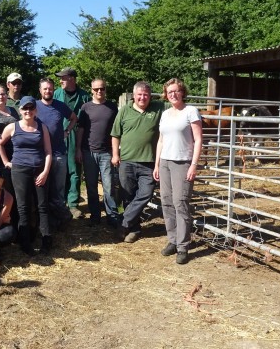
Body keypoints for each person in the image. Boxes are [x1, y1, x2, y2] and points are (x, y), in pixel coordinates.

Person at [153, 78, 203, 264]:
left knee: (180, 202)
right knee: (166, 202)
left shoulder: (191, 111)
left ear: (182, 92)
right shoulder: (165, 114)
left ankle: (183, 246)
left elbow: (198, 139)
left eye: (176, 91)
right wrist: (157, 164)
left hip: (183, 162)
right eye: (169, 92)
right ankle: (172, 240)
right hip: (165, 161)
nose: (172, 94)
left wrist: (194, 164)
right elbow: (161, 140)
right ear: (166, 94)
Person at [0, 96, 53, 254]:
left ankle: (46, 239)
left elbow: (48, 151)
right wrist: (7, 162)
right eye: (25, 108)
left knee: (42, 206)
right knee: (23, 207)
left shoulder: (42, 127)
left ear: (35, 110)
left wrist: (45, 171)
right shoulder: (13, 127)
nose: (28, 111)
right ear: (20, 110)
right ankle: (25, 242)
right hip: (20, 170)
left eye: (31, 108)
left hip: (39, 170)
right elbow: (0, 143)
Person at [111, 81, 163, 243]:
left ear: (150, 96)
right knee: (128, 196)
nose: (142, 98)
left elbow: (177, 104)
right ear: (134, 96)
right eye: (139, 94)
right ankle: (134, 229)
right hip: (127, 160)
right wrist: (115, 155)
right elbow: (115, 134)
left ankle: (124, 223)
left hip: (149, 162)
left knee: (145, 194)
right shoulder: (125, 111)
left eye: (146, 94)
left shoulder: (159, 108)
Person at [75, 78, 119, 228]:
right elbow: (80, 130)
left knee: (109, 186)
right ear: (91, 90)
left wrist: (115, 153)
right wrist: (78, 149)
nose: (99, 91)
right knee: (91, 186)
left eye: (102, 88)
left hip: (106, 152)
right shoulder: (85, 107)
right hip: (88, 152)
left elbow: (116, 132)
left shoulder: (112, 107)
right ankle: (95, 215)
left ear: (105, 89)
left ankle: (112, 216)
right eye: (96, 89)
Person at [35, 78, 77, 230]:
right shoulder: (34, 106)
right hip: (39, 155)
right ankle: (45, 221)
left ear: (54, 90)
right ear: (40, 90)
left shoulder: (60, 106)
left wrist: (67, 131)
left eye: (50, 88)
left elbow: (74, 118)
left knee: (59, 189)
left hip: (58, 153)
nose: (48, 91)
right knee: (42, 189)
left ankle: (61, 221)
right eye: (45, 89)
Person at [54, 67, 90, 218]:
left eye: (63, 77)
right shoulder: (56, 93)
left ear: (72, 79)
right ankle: (59, 203)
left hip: (77, 134)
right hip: (58, 135)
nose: (60, 80)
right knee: (59, 170)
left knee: (75, 171)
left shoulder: (84, 96)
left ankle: (73, 204)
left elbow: (87, 120)